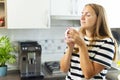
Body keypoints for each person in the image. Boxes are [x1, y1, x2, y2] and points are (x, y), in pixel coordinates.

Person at [60, 3, 117, 80]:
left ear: (98, 19)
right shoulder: (78, 37)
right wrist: (70, 47)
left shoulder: (107, 42)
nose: (82, 18)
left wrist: (82, 45)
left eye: (88, 15)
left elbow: (88, 74)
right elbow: (63, 69)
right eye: (82, 14)